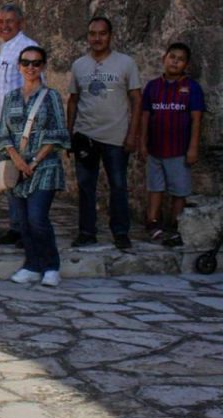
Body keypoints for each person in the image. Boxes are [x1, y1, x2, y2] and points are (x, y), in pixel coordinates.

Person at [0, 46, 70, 287]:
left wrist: (35, 160)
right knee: (22, 219)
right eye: (26, 63)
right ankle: (32, 264)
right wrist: (17, 159)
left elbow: (59, 133)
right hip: (16, 168)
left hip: (44, 166)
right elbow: (3, 133)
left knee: (38, 217)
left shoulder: (51, 97)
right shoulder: (11, 98)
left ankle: (51, 266)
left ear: (43, 66)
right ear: (19, 66)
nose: (31, 67)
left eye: (36, 63)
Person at [67, 16, 142, 250]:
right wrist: (69, 133)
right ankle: (87, 232)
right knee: (86, 186)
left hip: (116, 137)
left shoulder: (126, 63)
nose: (97, 38)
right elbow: (73, 100)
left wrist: (132, 134)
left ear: (110, 36)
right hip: (85, 135)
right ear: (87, 36)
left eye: (102, 33)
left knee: (118, 186)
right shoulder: (79, 65)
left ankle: (120, 232)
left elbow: (137, 100)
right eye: (92, 34)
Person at [140, 42, 204, 245]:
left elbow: (196, 119)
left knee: (179, 190)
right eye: (172, 57)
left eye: (180, 59)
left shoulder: (191, 88)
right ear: (164, 59)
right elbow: (145, 116)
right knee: (155, 188)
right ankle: (152, 223)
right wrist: (142, 142)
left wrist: (193, 147)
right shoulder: (152, 86)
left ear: (186, 64)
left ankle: (176, 226)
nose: (175, 61)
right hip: (155, 149)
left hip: (179, 150)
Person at [0, 4, 39, 246]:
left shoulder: (26, 48)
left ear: (21, 23)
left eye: (10, 21)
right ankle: (17, 227)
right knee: (10, 179)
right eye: (0, 21)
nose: (4, 25)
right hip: (3, 126)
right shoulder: (5, 49)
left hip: (20, 126)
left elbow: (33, 87)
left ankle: (28, 230)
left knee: (23, 179)